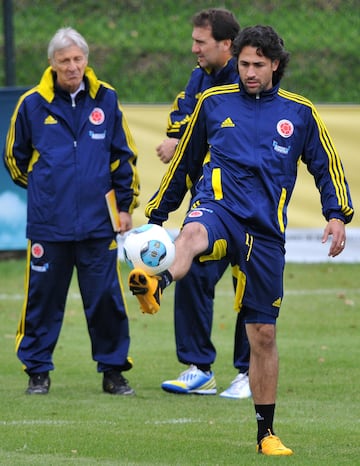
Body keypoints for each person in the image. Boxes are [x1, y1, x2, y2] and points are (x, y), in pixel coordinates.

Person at [128, 25, 353, 455]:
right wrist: (156, 215)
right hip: (219, 206)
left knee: (263, 335)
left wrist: (336, 213)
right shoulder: (214, 103)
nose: (248, 72)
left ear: (275, 65)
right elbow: (184, 162)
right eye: (244, 64)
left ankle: (265, 433)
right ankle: (155, 283)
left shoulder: (299, 112)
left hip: (265, 229)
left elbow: (326, 165)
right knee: (193, 233)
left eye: (257, 65)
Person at [3, 27, 140, 396]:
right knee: (42, 301)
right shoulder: (31, 103)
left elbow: (123, 156)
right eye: (64, 60)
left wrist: (124, 207)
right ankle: (37, 371)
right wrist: (46, 191)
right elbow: (14, 160)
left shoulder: (106, 99)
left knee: (106, 300)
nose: (72, 67)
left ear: (86, 60)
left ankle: (114, 372)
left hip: (98, 224)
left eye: (78, 59)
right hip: (49, 226)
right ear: (52, 63)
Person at [156, 7, 251, 399]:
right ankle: (198, 368)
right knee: (192, 272)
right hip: (209, 203)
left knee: (249, 285)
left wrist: (182, 142)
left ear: (226, 45)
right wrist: (181, 140)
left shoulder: (248, 80)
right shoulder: (199, 79)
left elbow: (242, 136)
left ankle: (247, 373)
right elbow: (180, 123)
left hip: (248, 205)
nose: (193, 48)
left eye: (201, 42)